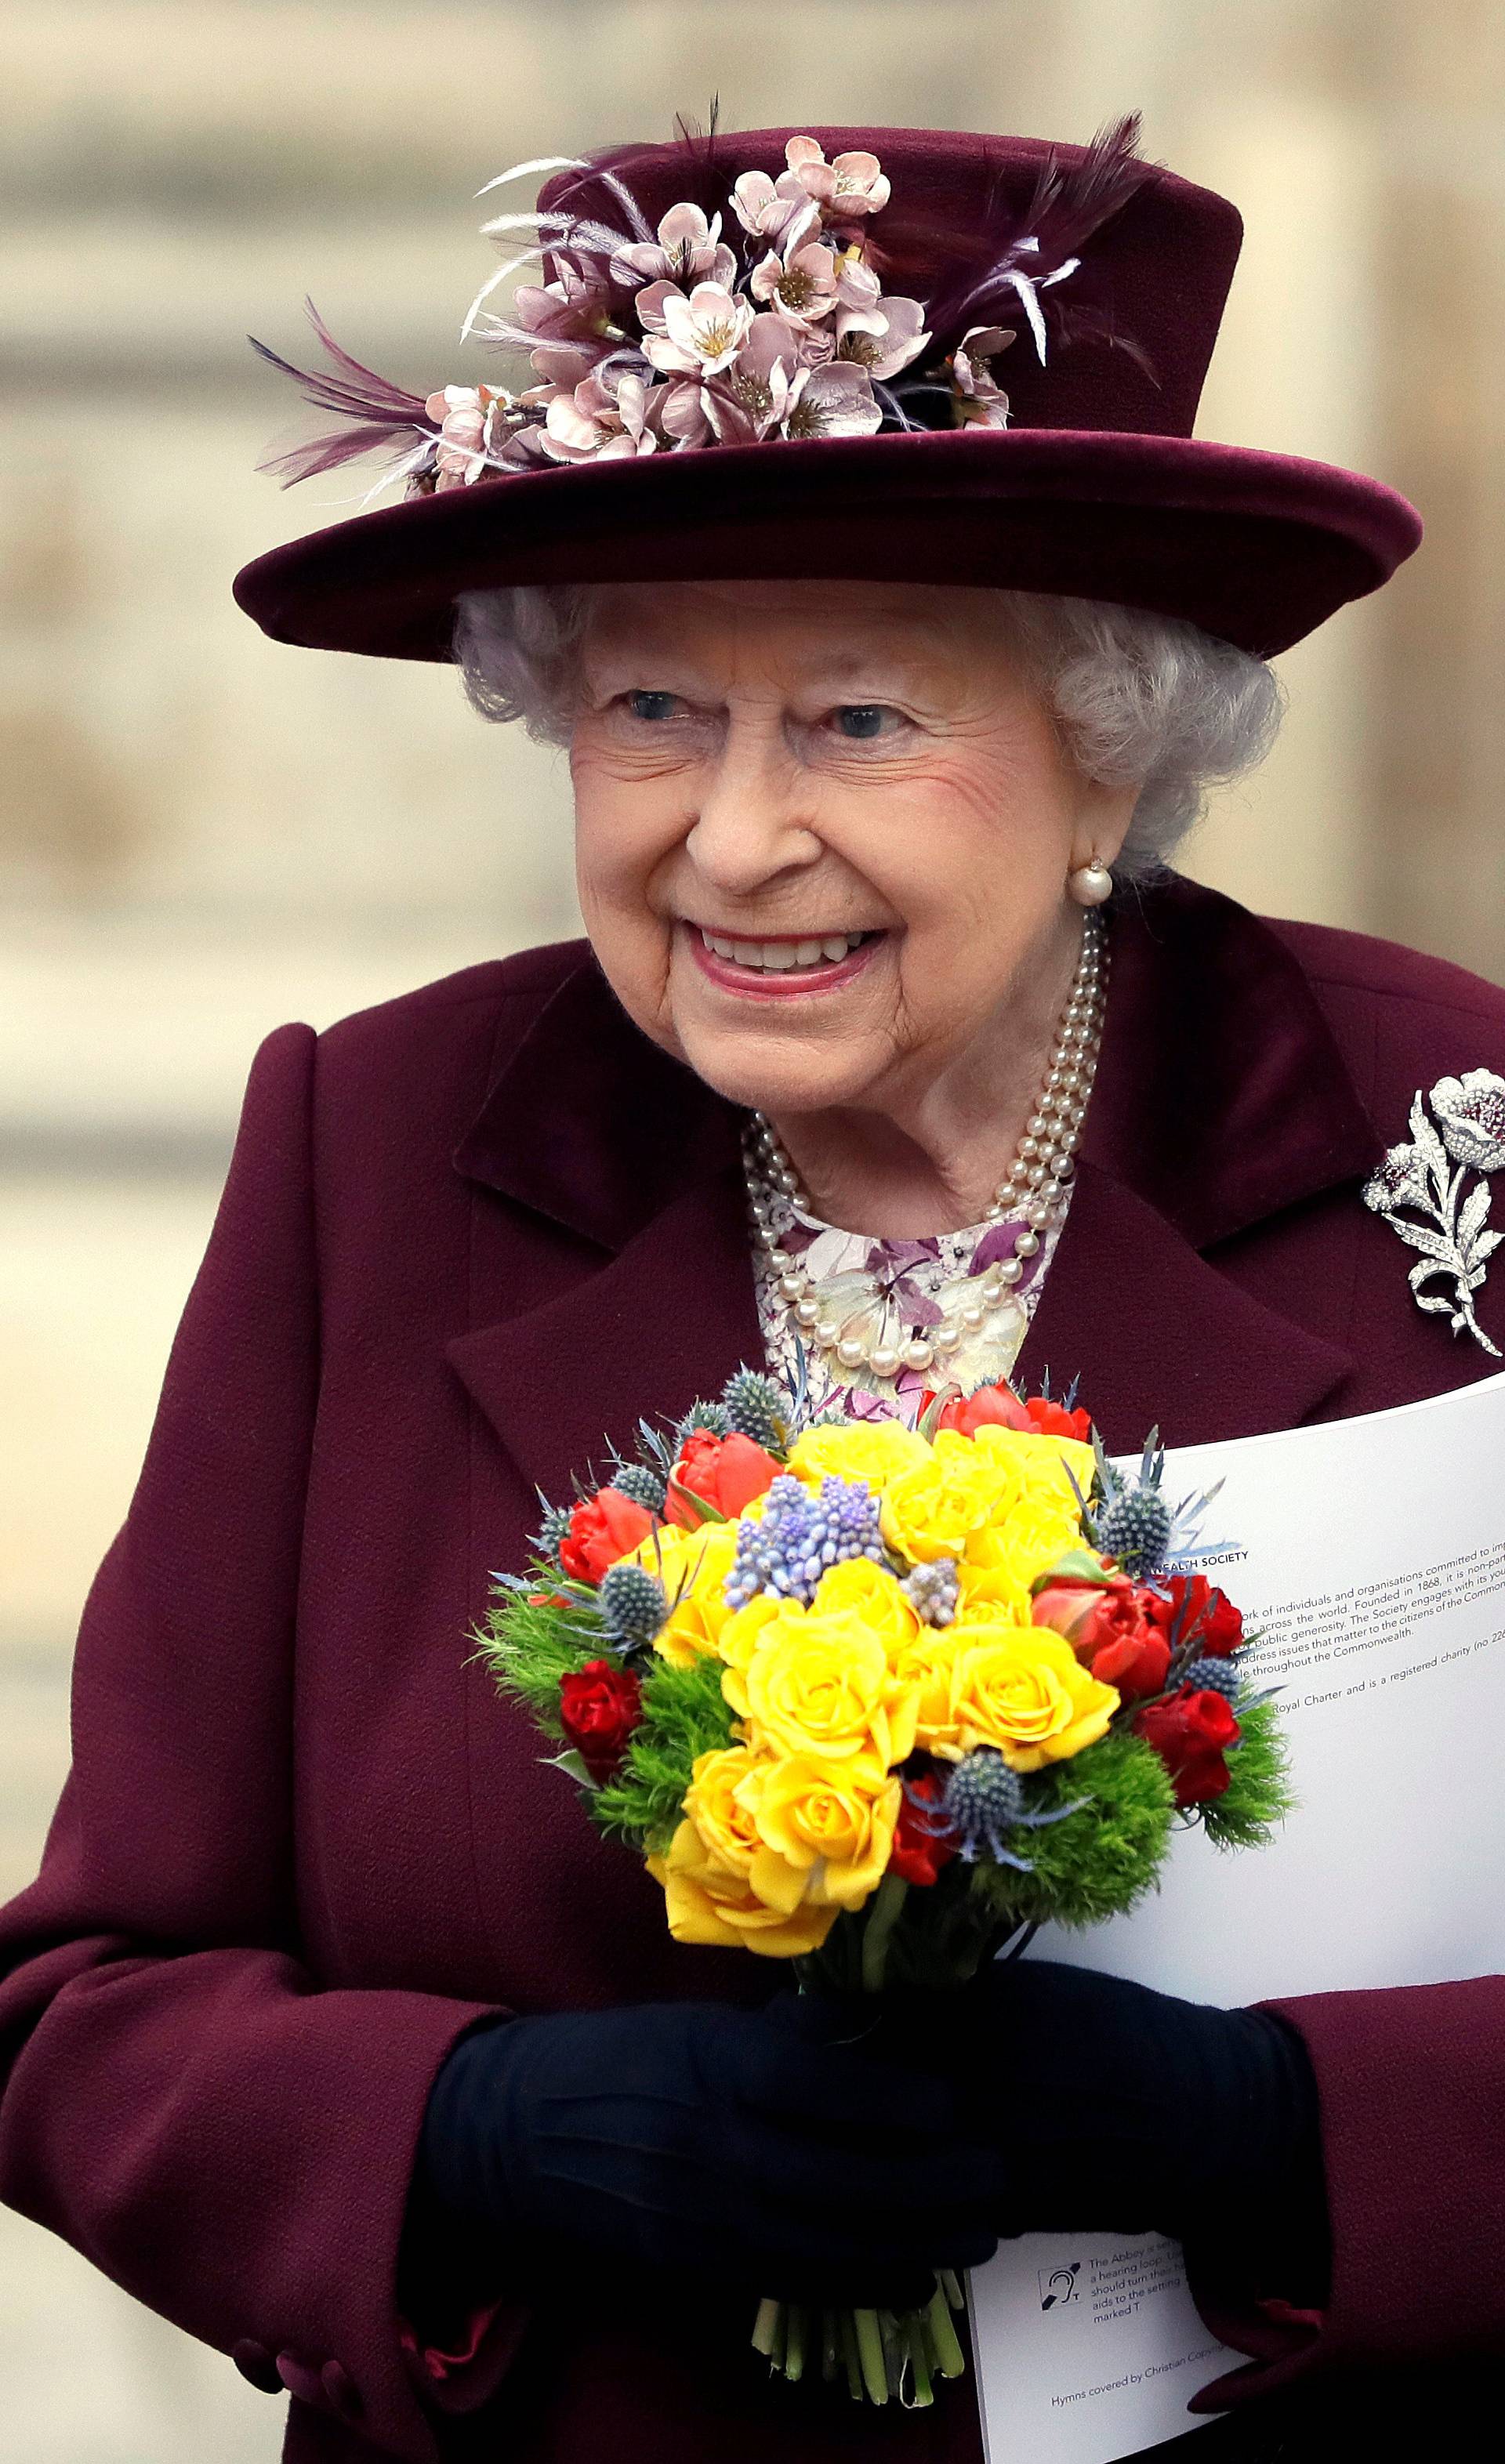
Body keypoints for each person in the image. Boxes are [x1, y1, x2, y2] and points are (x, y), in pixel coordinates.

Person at [2, 115, 1502, 2464]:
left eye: (864, 717)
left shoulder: (1451, 1138)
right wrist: (477, 2129)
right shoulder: (376, 1153)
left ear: (1106, 758)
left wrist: (1276, 2133)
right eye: (651, 710)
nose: (730, 835)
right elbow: (87, 2010)